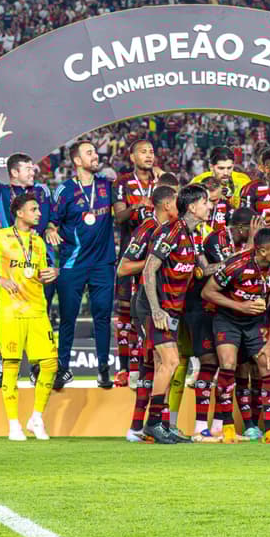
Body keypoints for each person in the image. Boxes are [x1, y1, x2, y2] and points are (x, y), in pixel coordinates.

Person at [0, 194, 59, 441]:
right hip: (11, 311)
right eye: (34, 209)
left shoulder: (39, 242)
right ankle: (13, 424)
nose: (39, 213)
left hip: (37, 310)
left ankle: (36, 418)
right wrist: (0, 279)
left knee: (50, 364)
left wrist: (50, 273)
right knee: (11, 365)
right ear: (20, 213)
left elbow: (40, 273)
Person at [202, 227, 270, 444]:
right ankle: (228, 426)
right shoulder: (236, 264)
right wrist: (240, 306)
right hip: (227, 320)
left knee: (268, 365)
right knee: (228, 364)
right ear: (261, 251)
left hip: (255, 323)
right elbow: (207, 292)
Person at [141, 185, 211, 444]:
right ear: (192, 207)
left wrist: (242, 259)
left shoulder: (193, 235)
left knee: (166, 365)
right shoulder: (170, 232)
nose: (209, 206)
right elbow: (149, 271)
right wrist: (156, 309)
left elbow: (207, 269)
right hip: (154, 305)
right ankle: (152, 423)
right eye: (205, 202)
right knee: (169, 362)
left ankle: (161, 423)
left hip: (172, 308)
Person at [48, 140, 116, 390]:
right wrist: (50, 229)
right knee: (67, 318)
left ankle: (103, 370)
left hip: (102, 263)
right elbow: (51, 221)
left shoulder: (108, 186)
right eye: (90, 153)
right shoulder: (64, 190)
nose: (95, 156)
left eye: (95, 152)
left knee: (102, 317)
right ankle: (63, 369)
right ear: (77, 161)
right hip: (73, 263)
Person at [117, 185, 178, 442]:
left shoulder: (172, 230)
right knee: (154, 364)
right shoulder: (147, 228)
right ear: (166, 205)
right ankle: (137, 427)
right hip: (145, 304)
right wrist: (155, 260)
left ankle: (155, 425)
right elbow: (123, 268)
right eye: (177, 202)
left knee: (158, 364)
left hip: (162, 303)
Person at [193, 207, 259, 442]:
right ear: (243, 228)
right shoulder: (217, 239)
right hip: (205, 309)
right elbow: (228, 270)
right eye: (254, 226)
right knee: (210, 363)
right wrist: (252, 243)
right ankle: (200, 427)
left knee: (229, 367)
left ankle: (221, 425)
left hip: (229, 312)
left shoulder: (244, 243)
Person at [0, 114, 56, 307]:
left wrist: (51, 226)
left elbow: (52, 214)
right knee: (13, 309)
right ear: (14, 173)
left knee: (41, 308)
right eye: (28, 169)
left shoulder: (42, 190)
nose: (33, 171)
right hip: (13, 260)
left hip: (42, 257)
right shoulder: (1, 192)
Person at [111, 139, 163, 394]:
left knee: (153, 310)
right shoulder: (122, 183)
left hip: (160, 257)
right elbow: (119, 215)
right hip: (131, 255)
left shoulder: (162, 180)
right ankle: (126, 367)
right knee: (125, 313)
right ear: (132, 157)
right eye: (143, 152)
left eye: (151, 151)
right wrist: (138, 205)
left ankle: (149, 365)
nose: (149, 155)